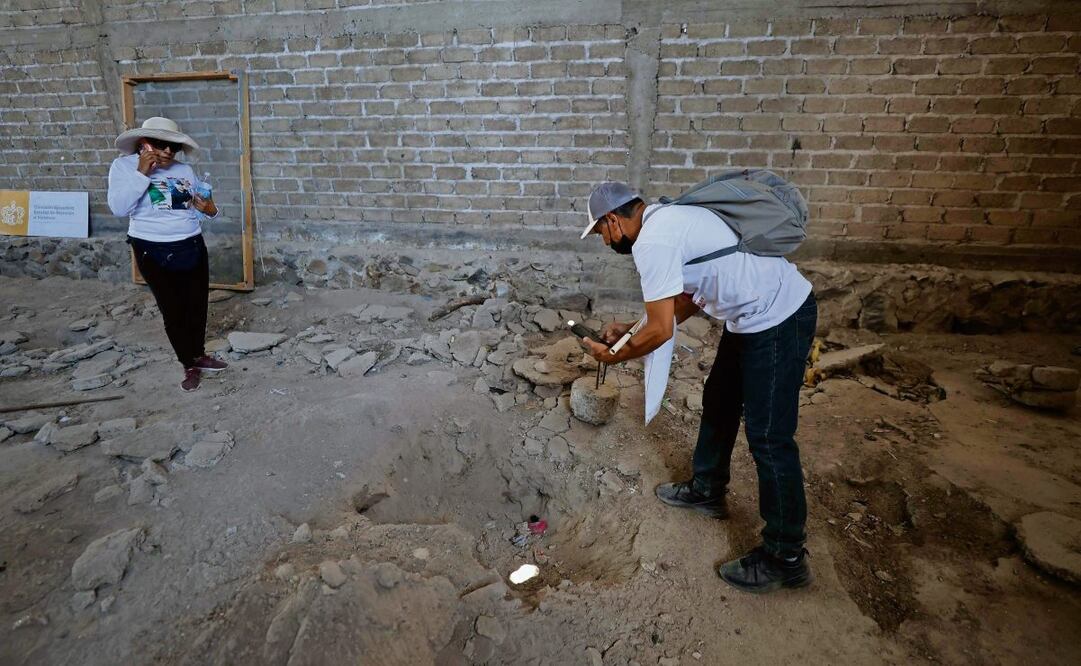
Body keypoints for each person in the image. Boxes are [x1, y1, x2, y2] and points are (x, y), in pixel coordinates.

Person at [579, 182, 817, 594]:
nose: (603, 240)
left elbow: (662, 328)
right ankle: (707, 490)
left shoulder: (652, 241)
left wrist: (614, 356)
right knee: (720, 401)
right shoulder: (668, 221)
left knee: (770, 438)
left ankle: (786, 557)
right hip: (751, 317)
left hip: (779, 318)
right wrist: (632, 329)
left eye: (600, 231)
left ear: (613, 220)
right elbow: (685, 299)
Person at [107, 117, 227, 392]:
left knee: (197, 305)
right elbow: (118, 208)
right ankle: (188, 364)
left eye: (173, 147)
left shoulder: (183, 170)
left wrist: (210, 210)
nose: (168, 153)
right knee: (173, 311)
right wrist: (141, 173)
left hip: (191, 244)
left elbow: (188, 207)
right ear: (143, 143)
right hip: (152, 248)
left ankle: (199, 354)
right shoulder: (123, 167)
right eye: (162, 146)